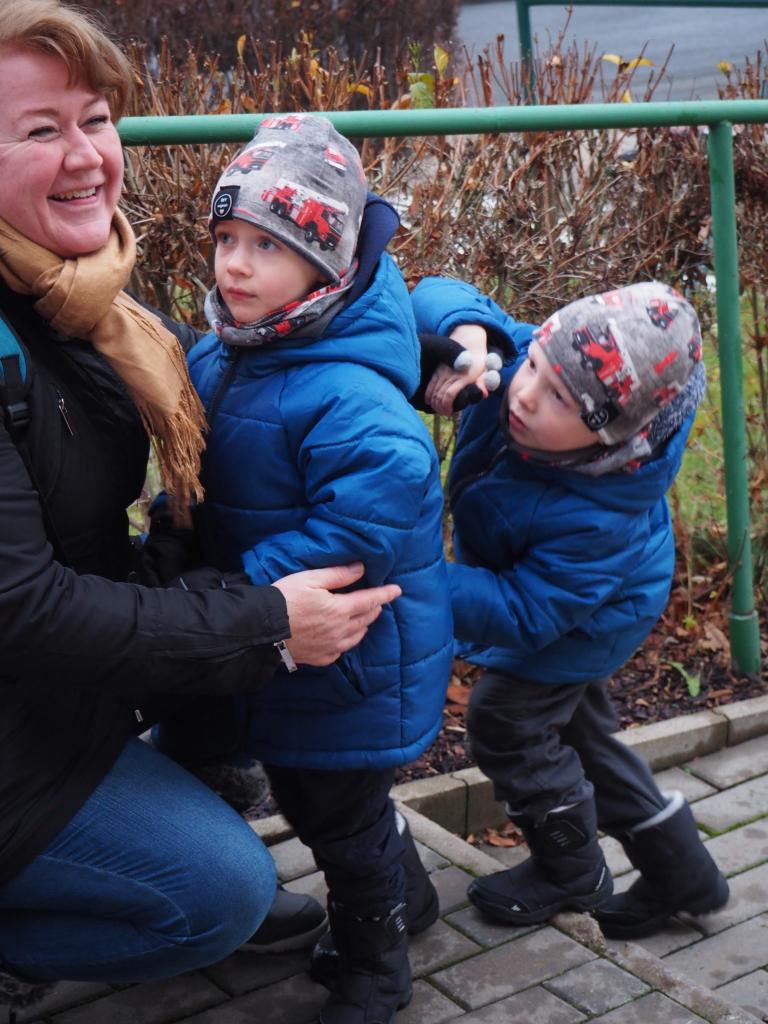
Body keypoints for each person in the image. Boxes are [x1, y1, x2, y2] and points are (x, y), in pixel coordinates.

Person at [0, 2, 402, 1017]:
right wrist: (265, 623)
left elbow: (328, 307)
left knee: (219, 770)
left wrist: (457, 345)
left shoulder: (80, 298)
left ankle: (126, 860)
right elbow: (27, 608)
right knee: (217, 893)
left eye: (96, 119)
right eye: (41, 129)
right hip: (20, 707)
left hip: (55, 699)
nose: (86, 155)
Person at [169, 114, 453, 1024]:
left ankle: (378, 969)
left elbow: (366, 517)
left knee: (338, 816)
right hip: (274, 633)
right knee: (318, 796)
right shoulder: (232, 347)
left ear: (326, 264)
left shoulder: (347, 390)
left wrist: (237, 586)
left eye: (268, 246)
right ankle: (413, 898)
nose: (235, 265)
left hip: (343, 654)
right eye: (226, 238)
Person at [411, 276, 730, 938]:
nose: (525, 392)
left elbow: (525, 613)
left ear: (609, 438)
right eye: (533, 365)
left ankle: (569, 870)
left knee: (507, 719)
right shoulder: (546, 362)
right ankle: (681, 871)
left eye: (559, 398)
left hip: (591, 615)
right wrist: (472, 337)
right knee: (580, 731)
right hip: (567, 593)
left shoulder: (601, 519)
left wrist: (420, 580)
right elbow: (439, 292)